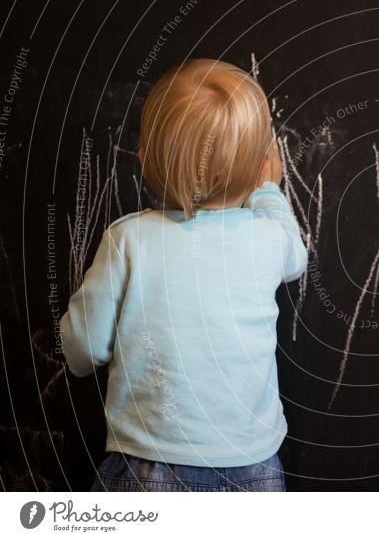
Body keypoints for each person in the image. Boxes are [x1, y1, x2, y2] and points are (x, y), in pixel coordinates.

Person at [59, 58, 308, 491]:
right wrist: (268, 190)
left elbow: (85, 348)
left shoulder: (128, 241)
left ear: (143, 160)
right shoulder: (267, 238)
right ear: (258, 169)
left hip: (148, 465)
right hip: (252, 467)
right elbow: (295, 255)